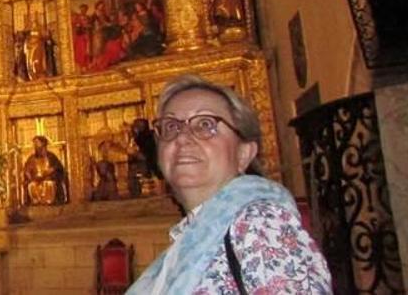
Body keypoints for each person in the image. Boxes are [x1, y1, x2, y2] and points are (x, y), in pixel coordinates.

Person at [126, 75, 330, 294]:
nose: (182, 138)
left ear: (244, 154)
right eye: (170, 126)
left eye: (205, 124)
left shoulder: (258, 221)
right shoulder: (187, 241)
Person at [22, 135, 69, 205]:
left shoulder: (51, 157)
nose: (35, 146)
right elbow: (26, 170)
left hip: (49, 178)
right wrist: (29, 175)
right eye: (35, 144)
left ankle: (49, 201)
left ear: (43, 144)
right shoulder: (32, 158)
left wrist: (51, 170)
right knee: (31, 185)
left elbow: (59, 168)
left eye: (37, 143)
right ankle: (36, 201)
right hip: (36, 180)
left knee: (49, 184)